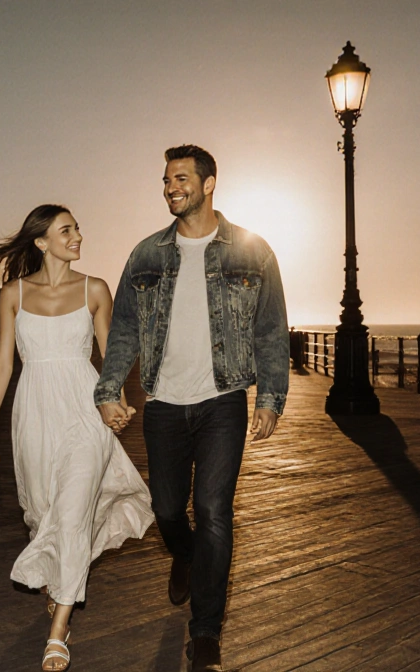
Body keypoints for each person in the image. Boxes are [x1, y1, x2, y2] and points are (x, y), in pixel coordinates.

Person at [95, 145, 289, 671]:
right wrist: (110, 386)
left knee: (213, 512)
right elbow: (126, 330)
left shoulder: (252, 251)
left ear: (208, 184)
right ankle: (182, 553)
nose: (169, 187)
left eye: (180, 178)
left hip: (223, 399)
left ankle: (205, 633)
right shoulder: (146, 255)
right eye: (164, 180)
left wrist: (270, 397)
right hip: (162, 403)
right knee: (166, 511)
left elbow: (271, 330)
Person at [0, 204, 154, 671]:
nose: (78, 236)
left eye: (77, 228)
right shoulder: (13, 294)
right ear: (41, 241)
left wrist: (112, 400)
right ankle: (60, 590)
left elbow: (111, 356)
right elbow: (3, 364)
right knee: (41, 515)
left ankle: (59, 632)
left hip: (83, 412)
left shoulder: (94, 289)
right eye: (67, 230)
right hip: (34, 413)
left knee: (73, 516)